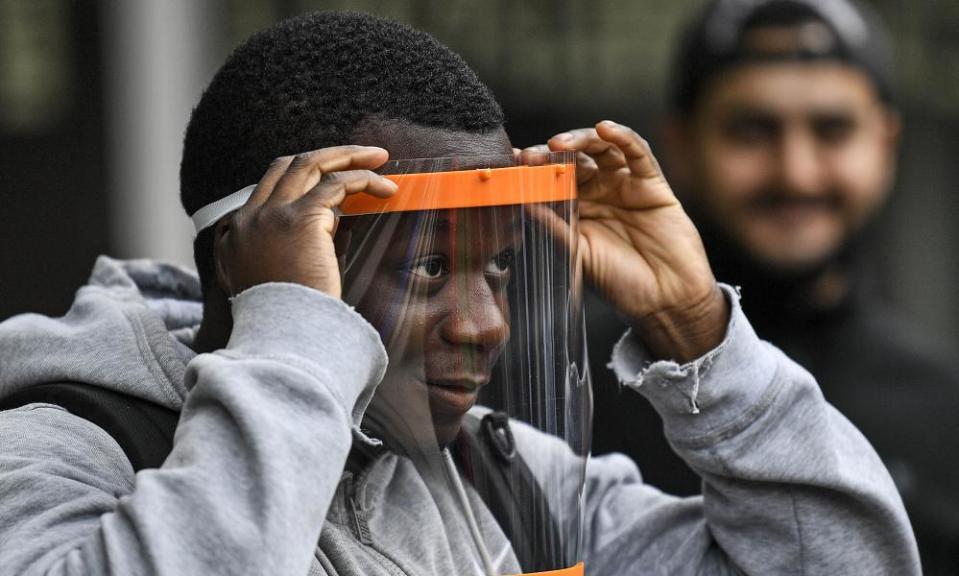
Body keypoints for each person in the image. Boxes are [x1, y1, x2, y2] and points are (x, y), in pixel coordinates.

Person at [0, 11, 918, 575]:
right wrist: (291, 348)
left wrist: (696, 329)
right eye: (428, 268)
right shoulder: (63, 453)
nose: (484, 325)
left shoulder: (507, 482)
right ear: (253, 263)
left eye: (501, 267)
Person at [589, 0, 959, 572]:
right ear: (681, 145)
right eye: (751, 131)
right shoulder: (568, 390)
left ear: (885, 144)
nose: (796, 173)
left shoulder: (946, 414)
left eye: (832, 130)